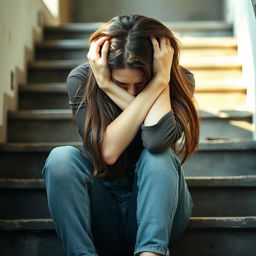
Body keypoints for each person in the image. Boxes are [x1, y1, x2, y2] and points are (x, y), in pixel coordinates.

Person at [42, 14, 200, 256]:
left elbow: (157, 141)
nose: (133, 92)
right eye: (121, 85)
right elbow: (108, 152)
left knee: (157, 157)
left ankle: (151, 253)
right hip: (101, 208)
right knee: (61, 159)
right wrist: (104, 85)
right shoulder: (83, 80)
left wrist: (160, 82)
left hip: (160, 206)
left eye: (141, 84)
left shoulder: (179, 81)